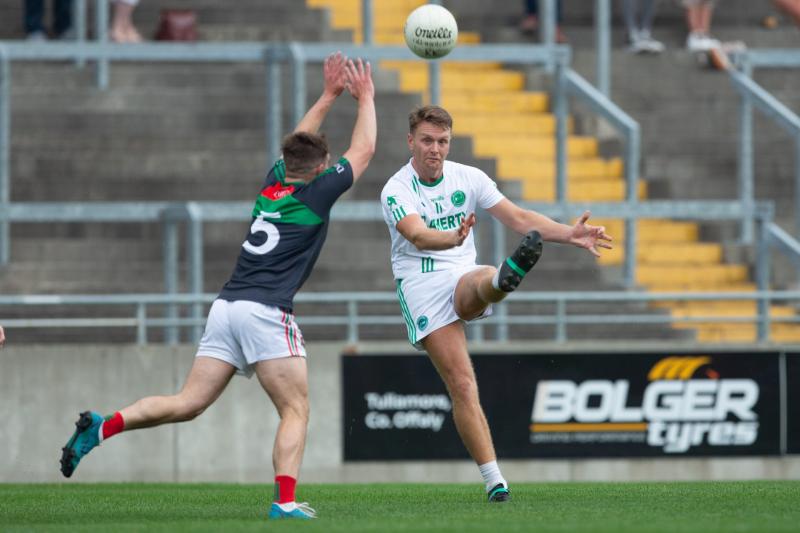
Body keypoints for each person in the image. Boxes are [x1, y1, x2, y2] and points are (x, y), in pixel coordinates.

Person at [59, 52, 376, 520]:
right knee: (296, 409)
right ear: (321, 168)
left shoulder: (272, 184)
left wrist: (328, 96)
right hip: (266, 311)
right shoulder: (318, 192)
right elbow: (364, 150)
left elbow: (299, 145)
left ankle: (104, 427)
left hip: (226, 306)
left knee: (188, 403)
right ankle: (284, 503)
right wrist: (365, 98)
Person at [380, 105, 612, 502]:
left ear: (449, 142)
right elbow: (418, 236)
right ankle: (495, 482)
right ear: (410, 142)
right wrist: (451, 237)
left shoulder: (468, 177)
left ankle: (503, 279)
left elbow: (520, 218)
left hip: (461, 271)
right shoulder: (396, 189)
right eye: (427, 140)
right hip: (419, 282)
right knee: (462, 384)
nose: (435, 149)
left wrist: (569, 235)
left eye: (442, 141)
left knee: (480, 281)